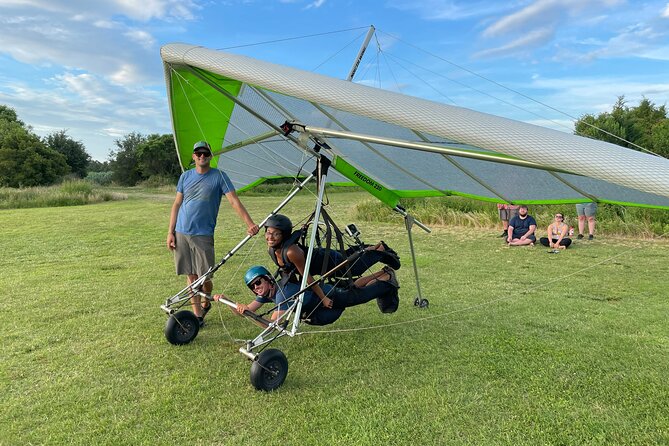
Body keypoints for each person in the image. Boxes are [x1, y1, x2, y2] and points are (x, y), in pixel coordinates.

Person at [167, 140, 259, 326]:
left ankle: (206, 299)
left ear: (211, 156)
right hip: (181, 232)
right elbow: (177, 204)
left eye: (205, 153)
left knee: (205, 277)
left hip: (203, 235)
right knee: (191, 276)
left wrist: (249, 223)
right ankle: (198, 316)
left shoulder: (220, 177)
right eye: (198, 153)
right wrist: (170, 232)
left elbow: (233, 201)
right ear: (193, 156)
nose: (202, 156)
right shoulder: (185, 177)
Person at [213, 264, 400, 326]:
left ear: (268, 279)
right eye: (252, 287)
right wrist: (228, 302)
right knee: (353, 288)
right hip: (319, 302)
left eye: (258, 282)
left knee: (359, 296)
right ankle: (383, 273)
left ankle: (387, 279)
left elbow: (272, 326)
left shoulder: (282, 293)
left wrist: (249, 314)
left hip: (328, 300)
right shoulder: (268, 291)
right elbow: (248, 310)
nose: (256, 288)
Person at [263, 214, 400, 293]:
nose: (270, 237)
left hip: (328, 259)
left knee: (354, 269)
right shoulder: (273, 250)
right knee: (349, 259)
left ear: (284, 236)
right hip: (324, 259)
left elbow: (308, 278)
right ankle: (369, 248)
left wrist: (323, 297)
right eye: (268, 233)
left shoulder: (293, 252)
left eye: (276, 234)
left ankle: (380, 250)